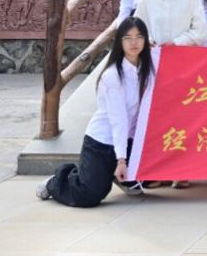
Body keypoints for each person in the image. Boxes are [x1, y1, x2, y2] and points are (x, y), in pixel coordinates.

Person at [36, 17, 153, 206]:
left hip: (130, 140)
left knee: (152, 174)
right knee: (90, 195)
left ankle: (122, 177)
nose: (134, 42)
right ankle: (57, 181)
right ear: (119, 42)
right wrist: (121, 160)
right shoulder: (112, 76)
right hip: (103, 142)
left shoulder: (148, 70)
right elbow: (119, 120)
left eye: (139, 37)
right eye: (128, 38)